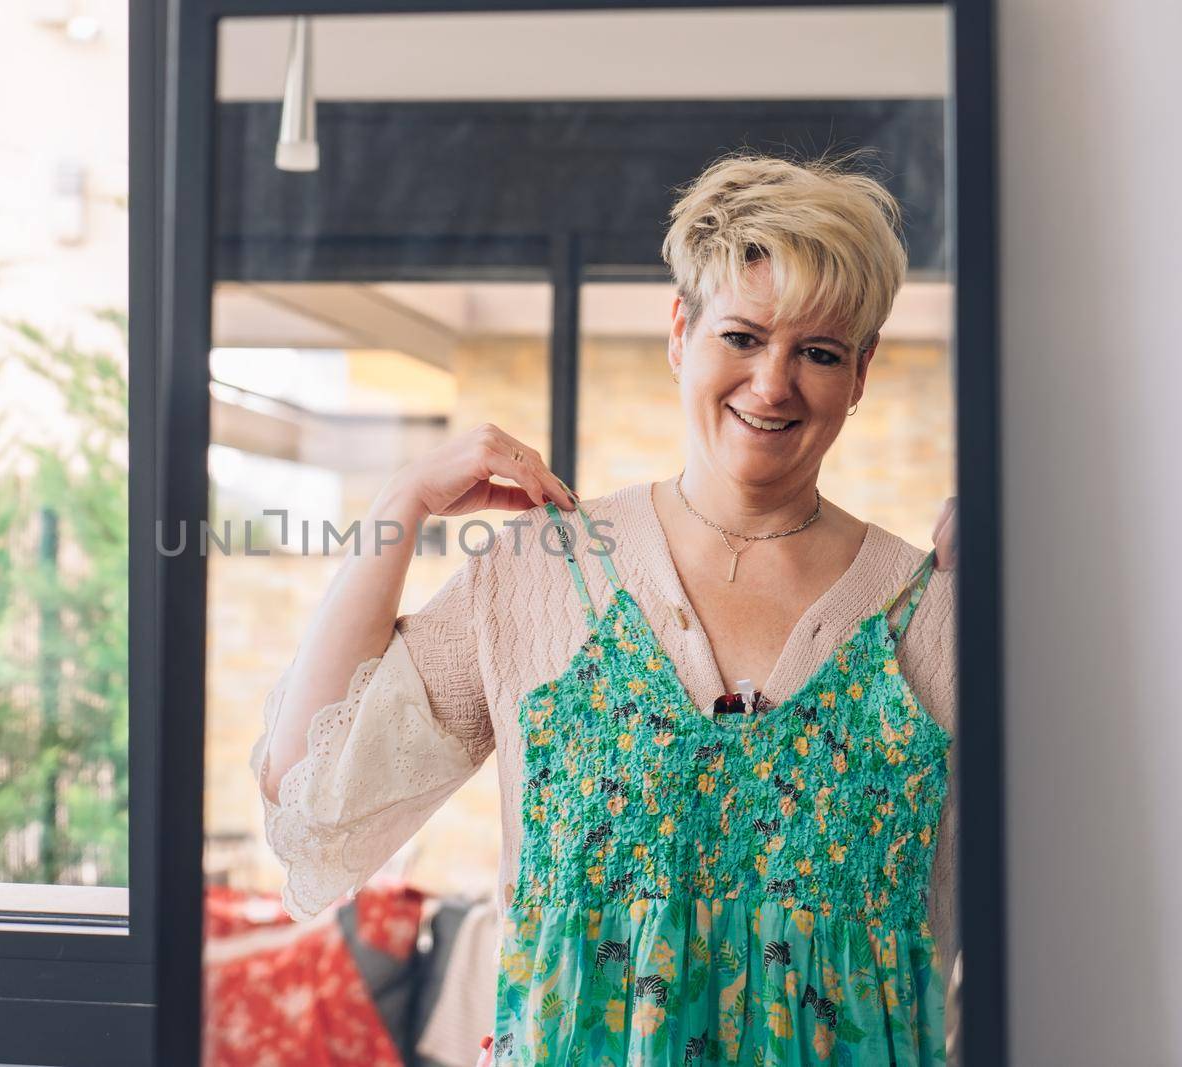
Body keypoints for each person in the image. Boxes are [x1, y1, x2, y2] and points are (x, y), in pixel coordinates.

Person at [250, 152, 961, 1065]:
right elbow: (314, 787)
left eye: (817, 352)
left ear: (859, 375)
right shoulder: (540, 577)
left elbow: (1053, 904)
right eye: (742, 337)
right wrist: (401, 507)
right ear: (680, 333)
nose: (773, 383)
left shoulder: (934, 615)